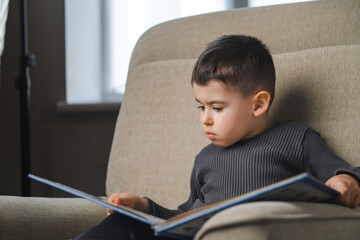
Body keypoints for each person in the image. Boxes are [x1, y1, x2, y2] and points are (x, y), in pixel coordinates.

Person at [75, 35, 360, 240]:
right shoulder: (205, 159)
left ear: (258, 104)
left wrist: (346, 181)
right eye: (201, 106)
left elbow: (341, 171)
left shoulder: (295, 138)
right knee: (124, 225)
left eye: (217, 108)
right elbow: (184, 215)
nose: (205, 118)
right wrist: (145, 207)